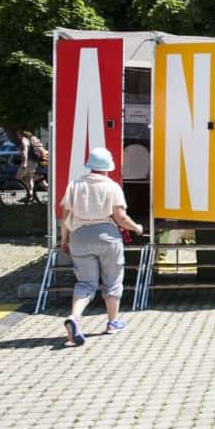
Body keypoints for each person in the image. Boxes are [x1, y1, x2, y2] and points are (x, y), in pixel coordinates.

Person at [59, 147, 143, 346]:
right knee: (112, 280)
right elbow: (120, 217)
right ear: (108, 168)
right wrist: (136, 228)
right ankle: (113, 322)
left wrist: (64, 241)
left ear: (90, 166)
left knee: (85, 283)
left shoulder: (75, 185)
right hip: (107, 237)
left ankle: (74, 318)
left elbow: (65, 218)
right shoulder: (112, 186)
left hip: (79, 237)